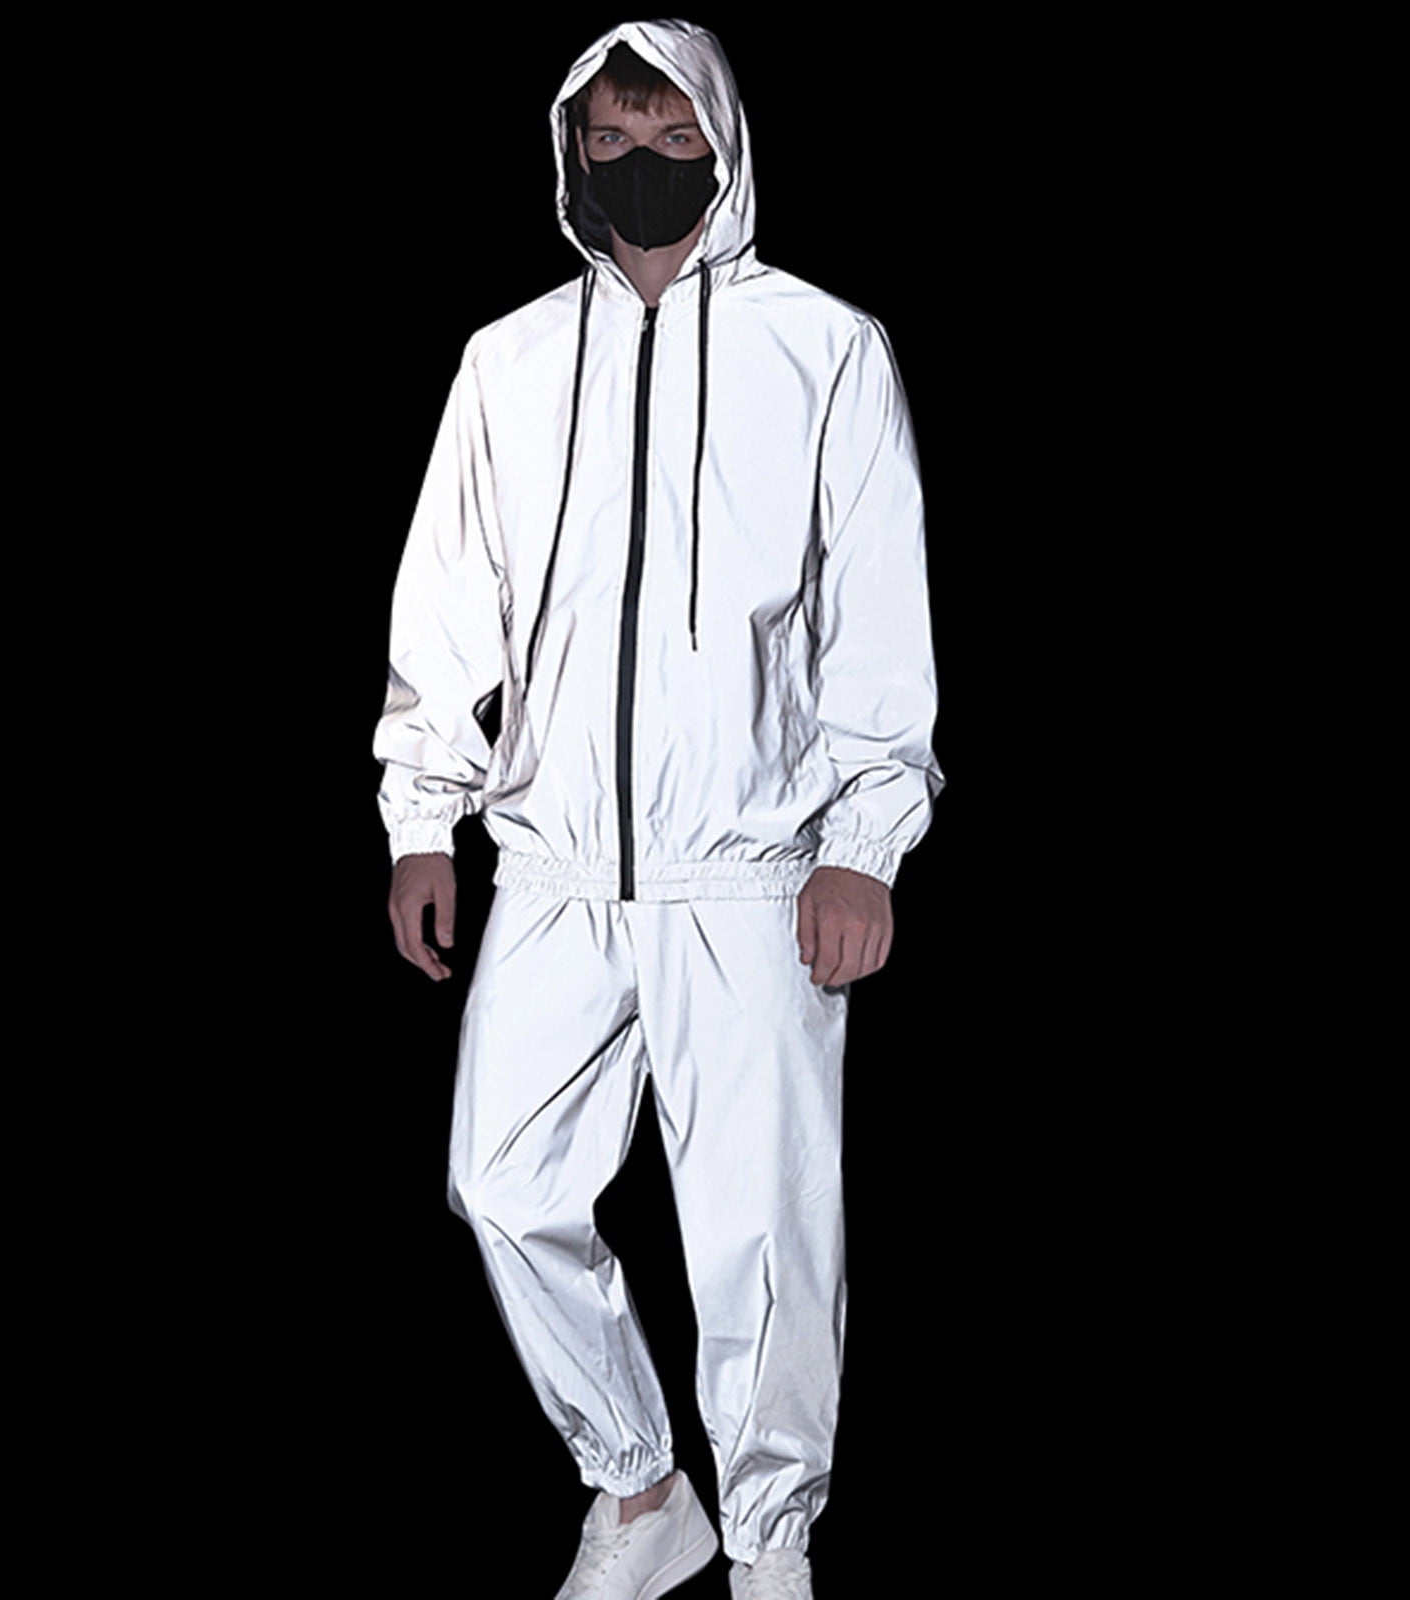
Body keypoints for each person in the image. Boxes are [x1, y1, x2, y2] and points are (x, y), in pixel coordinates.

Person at [375, 20, 941, 1599]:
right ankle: (640, 1487)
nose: (639, 168)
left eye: (670, 139)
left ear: (723, 146)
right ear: (573, 153)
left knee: (762, 1233)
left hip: (751, 864)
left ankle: (769, 1549)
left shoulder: (823, 349)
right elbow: (450, 604)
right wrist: (422, 816)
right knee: (502, 1186)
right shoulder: (506, 363)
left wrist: (862, 845)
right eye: (610, 142)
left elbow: (875, 617)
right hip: (553, 861)